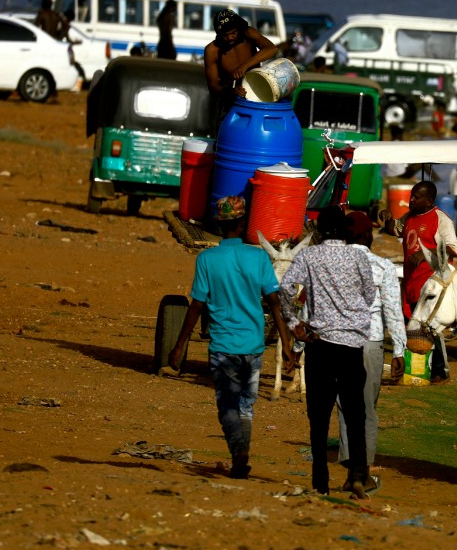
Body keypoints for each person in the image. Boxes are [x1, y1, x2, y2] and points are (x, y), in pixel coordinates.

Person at [162, 195, 291, 480]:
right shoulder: (258, 257)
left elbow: (197, 305)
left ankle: (238, 451)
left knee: (227, 405)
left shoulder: (207, 259)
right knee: (246, 404)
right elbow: (274, 302)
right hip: (254, 346)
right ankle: (240, 451)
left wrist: (180, 344)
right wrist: (286, 343)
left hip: (222, 346)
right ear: (243, 223)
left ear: (219, 226)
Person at [278, 206, 377, 497]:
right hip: (351, 345)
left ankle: (320, 479)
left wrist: (294, 322)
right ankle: (358, 473)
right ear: (345, 230)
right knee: (355, 413)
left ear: (320, 230)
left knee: (319, 417)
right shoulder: (358, 256)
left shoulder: (309, 256)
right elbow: (369, 294)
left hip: (319, 343)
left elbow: (286, 287)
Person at [337, 211, 407, 493]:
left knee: (345, 407)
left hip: (339, 343)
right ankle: (362, 474)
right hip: (371, 343)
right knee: (367, 409)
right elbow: (392, 310)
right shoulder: (383, 267)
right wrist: (399, 349)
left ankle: (351, 473)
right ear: (368, 236)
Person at [380, 180, 457, 381]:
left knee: (430, 327)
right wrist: (388, 218)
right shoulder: (410, 217)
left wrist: (426, 255)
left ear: (429, 200)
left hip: (430, 282)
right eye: (411, 195)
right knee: (412, 326)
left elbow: (452, 248)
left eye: (416, 197)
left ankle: (440, 371)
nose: (411, 200)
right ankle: (415, 369)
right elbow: (394, 229)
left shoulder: (440, 219)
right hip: (411, 280)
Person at [204, 9, 278, 118]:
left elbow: (272, 49)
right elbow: (213, 87)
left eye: (233, 33)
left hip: (258, 96)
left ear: (239, 28)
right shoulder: (212, 50)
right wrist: (231, 91)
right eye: (225, 35)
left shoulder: (248, 34)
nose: (230, 37)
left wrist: (245, 66)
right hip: (229, 104)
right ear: (218, 34)